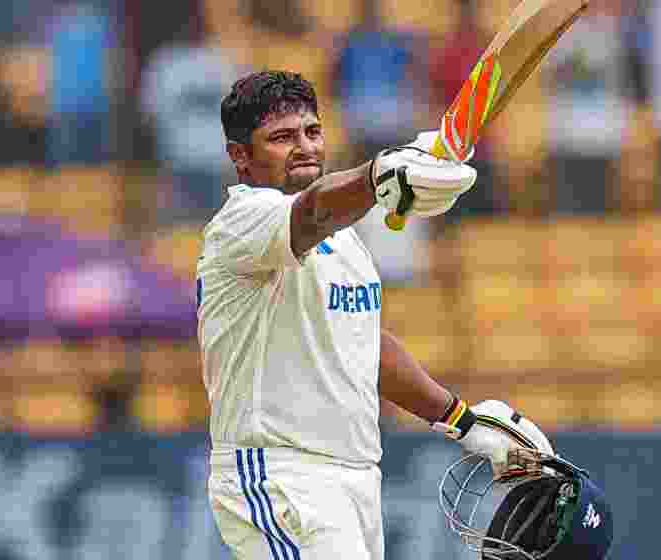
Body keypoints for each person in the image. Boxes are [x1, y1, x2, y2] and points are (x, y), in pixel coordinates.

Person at [197, 70, 553, 560]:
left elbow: (362, 342)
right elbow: (314, 210)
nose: (304, 147)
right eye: (281, 138)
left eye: (312, 132)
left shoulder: (345, 241)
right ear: (240, 155)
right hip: (281, 473)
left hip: (354, 475)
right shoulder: (242, 222)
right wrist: (379, 174)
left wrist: (461, 421)